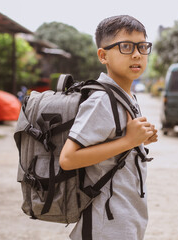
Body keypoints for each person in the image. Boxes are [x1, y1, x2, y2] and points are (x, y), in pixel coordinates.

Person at [59, 15, 158, 240]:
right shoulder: (102, 100)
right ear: (103, 55)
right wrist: (128, 142)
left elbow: (113, 148)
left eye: (142, 46)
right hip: (105, 228)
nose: (137, 54)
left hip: (124, 222)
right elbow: (68, 158)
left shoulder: (125, 96)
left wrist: (138, 141)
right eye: (125, 47)